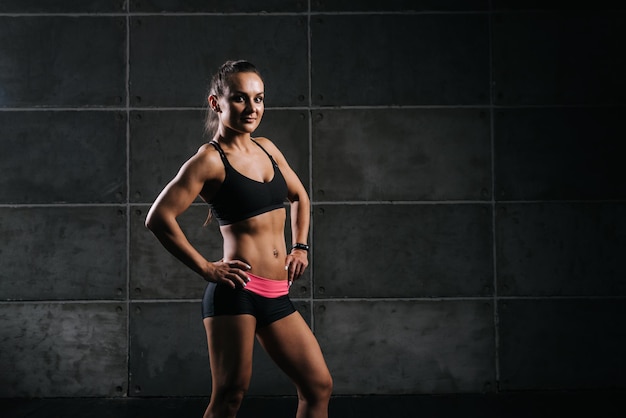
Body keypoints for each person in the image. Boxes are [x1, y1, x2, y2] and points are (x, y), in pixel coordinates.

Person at [145, 60, 332, 418]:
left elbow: (300, 197)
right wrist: (206, 268)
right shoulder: (209, 161)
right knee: (230, 395)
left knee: (318, 387)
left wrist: (300, 246)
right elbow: (158, 218)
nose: (252, 108)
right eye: (241, 98)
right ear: (217, 103)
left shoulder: (267, 148)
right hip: (238, 292)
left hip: (277, 294)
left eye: (259, 99)